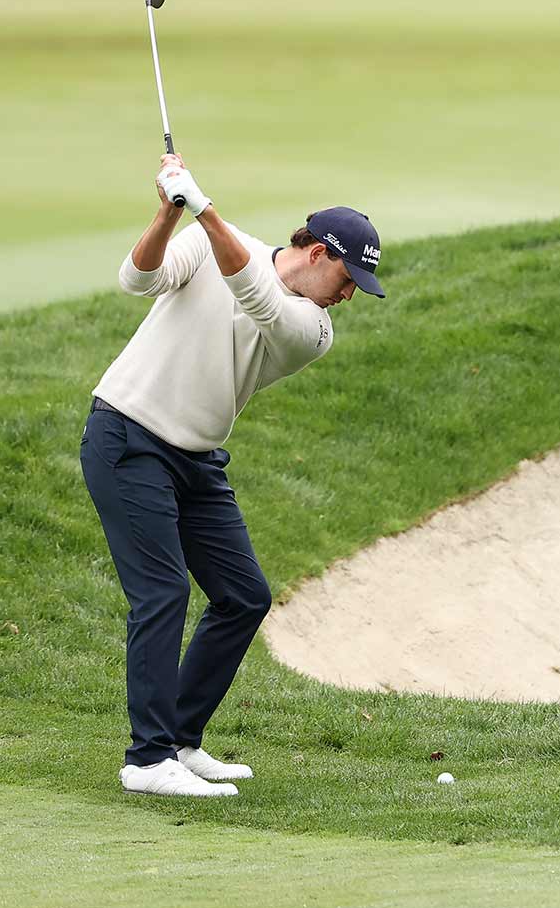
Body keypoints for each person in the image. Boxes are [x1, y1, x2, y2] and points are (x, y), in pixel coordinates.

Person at [80, 155, 384, 797]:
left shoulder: (313, 329)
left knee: (244, 595)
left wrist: (204, 204)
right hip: (128, 434)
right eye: (349, 276)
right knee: (161, 593)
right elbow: (137, 280)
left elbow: (256, 295)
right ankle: (148, 760)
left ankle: (181, 741)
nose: (350, 293)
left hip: (196, 459)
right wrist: (169, 214)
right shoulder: (208, 240)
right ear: (319, 252)